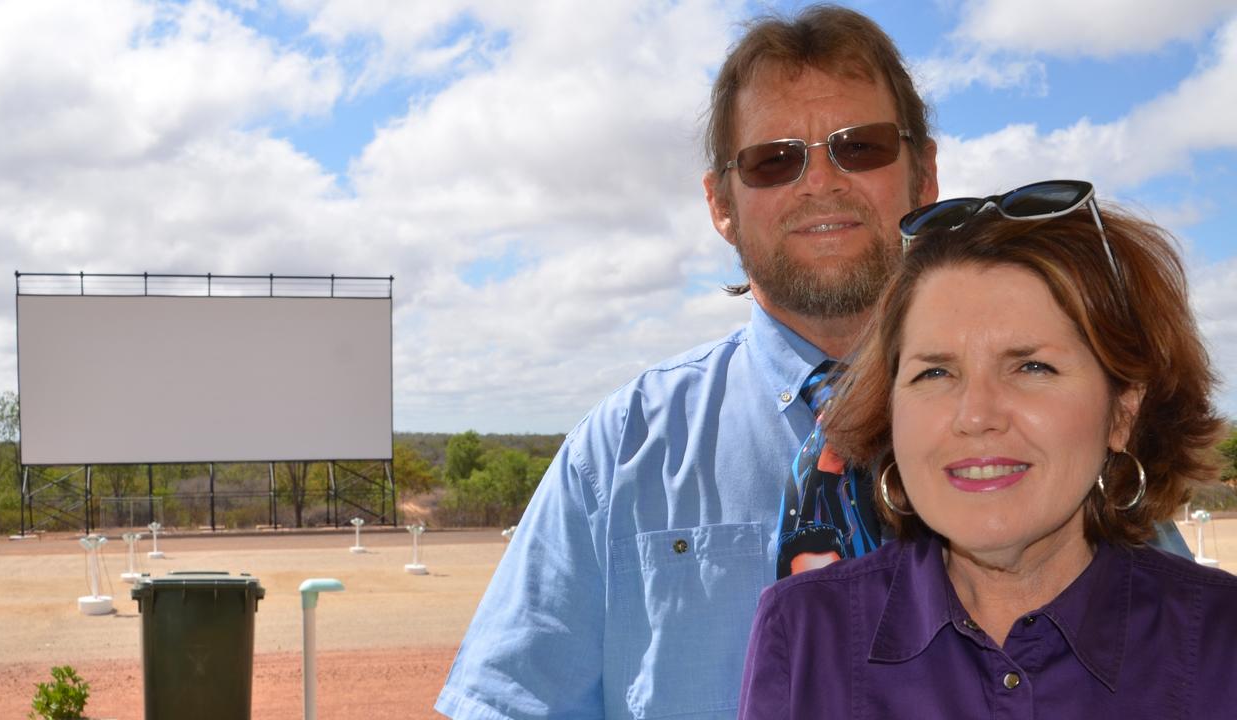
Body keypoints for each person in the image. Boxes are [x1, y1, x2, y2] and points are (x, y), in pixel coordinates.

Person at [436, 6, 1186, 718]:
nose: (820, 181)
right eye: (773, 160)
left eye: (859, 146)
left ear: (924, 173)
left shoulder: (1055, 437)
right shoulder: (618, 453)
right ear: (719, 202)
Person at [738, 183, 1236, 718]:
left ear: (1122, 413)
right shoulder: (804, 635)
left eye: (1031, 367)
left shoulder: (1219, 640)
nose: (975, 416)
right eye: (935, 371)